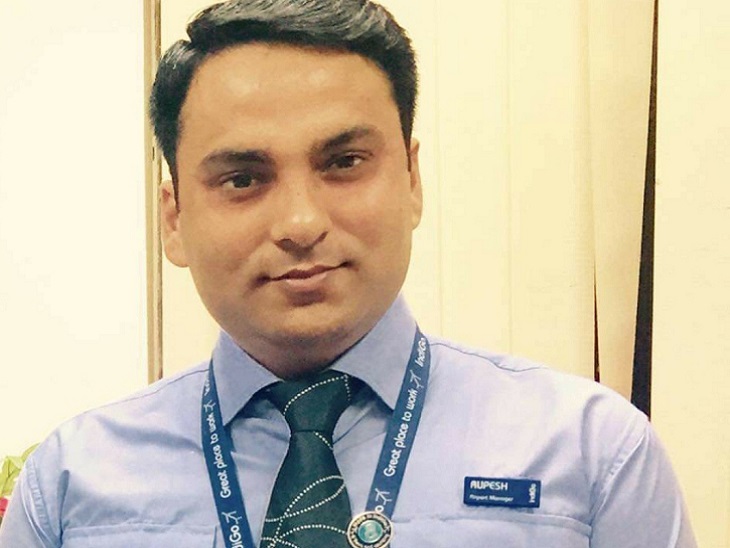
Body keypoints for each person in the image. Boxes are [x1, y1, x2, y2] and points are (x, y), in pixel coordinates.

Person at [0, 0, 696, 546]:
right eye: (243, 178)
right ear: (175, 218)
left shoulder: (590, 455)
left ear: (413, 181)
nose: (301, 222)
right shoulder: (71, 486)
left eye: (343, 163)